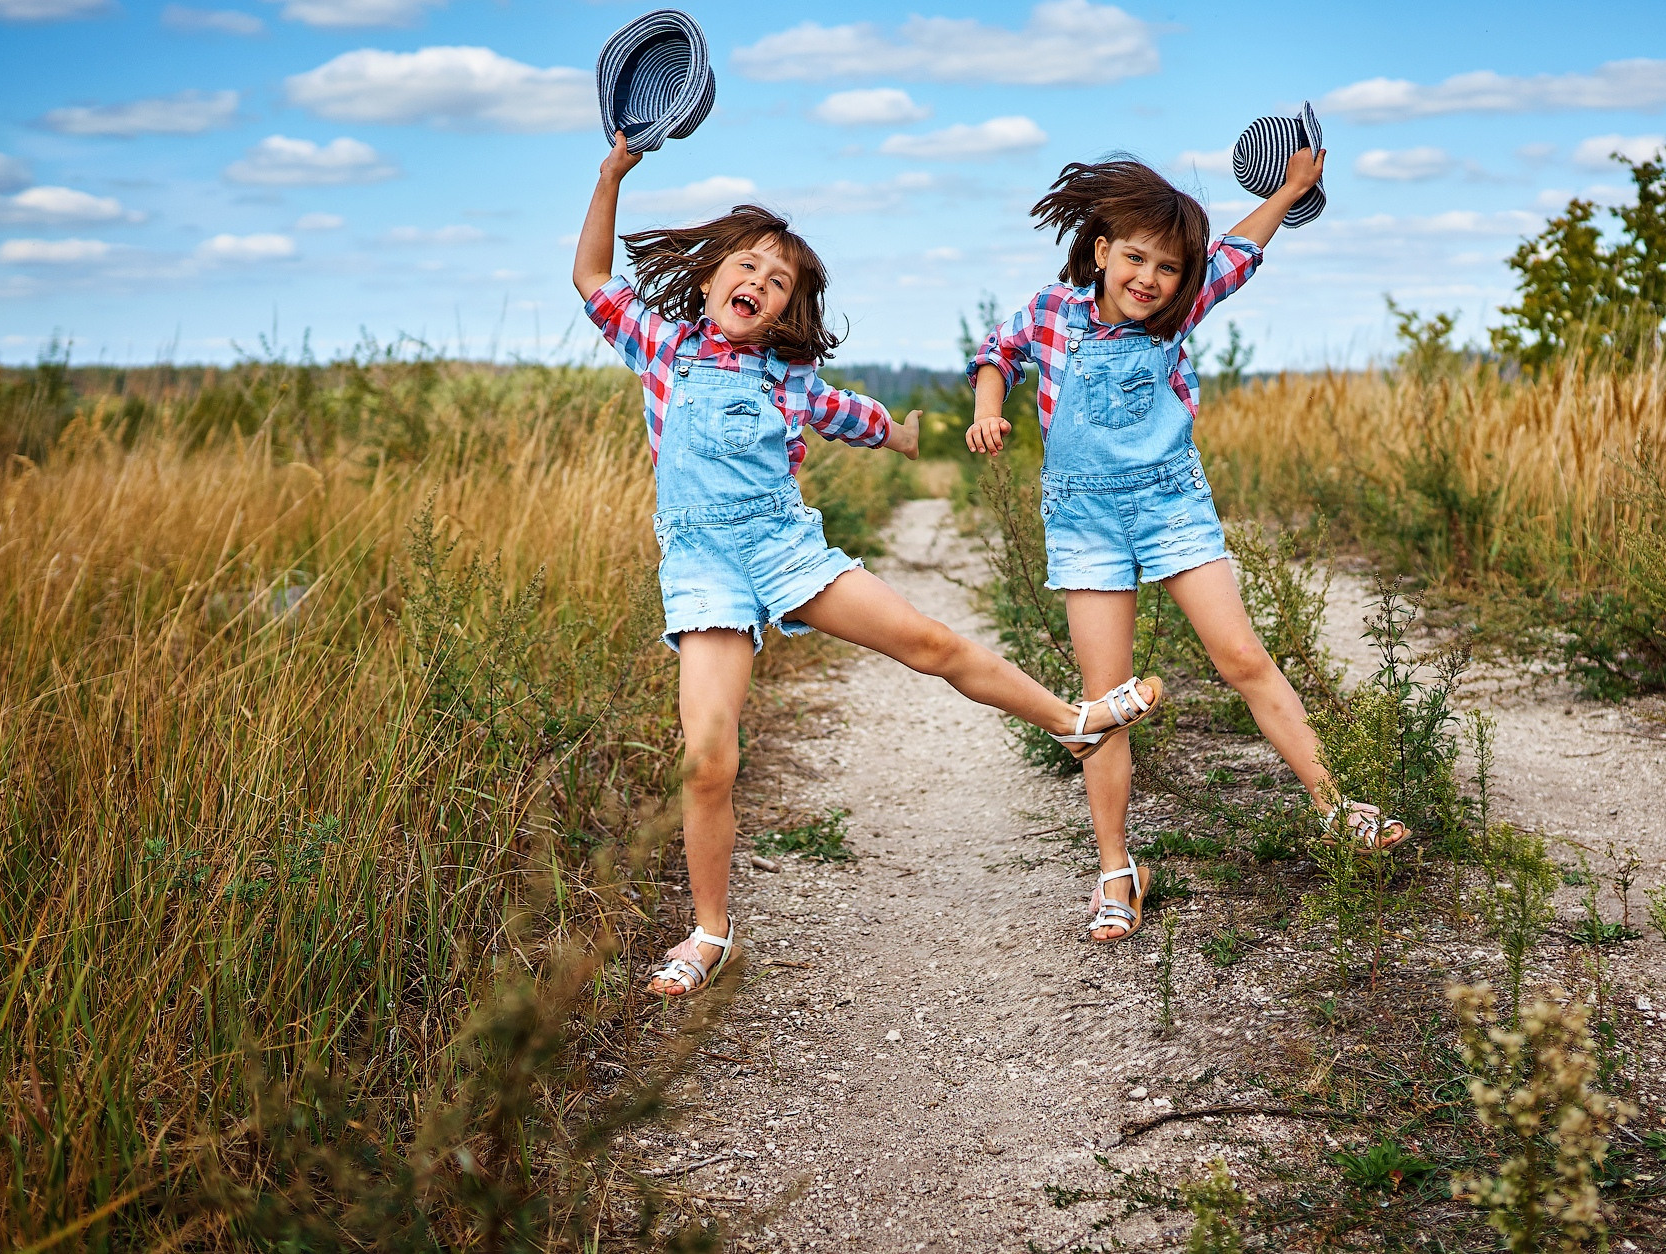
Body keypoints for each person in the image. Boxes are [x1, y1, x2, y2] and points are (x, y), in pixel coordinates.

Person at [573, 132, 1167, 995]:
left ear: (785, 312)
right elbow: (593, 278)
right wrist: (610, 177)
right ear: (707, 281)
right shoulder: (660, 348)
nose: (760, 286)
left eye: (779, 284)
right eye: (747, 268)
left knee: (928, 643)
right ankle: (710, 932)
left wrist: (925, 433)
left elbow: (868, 419)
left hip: (785, 552)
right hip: (703, 571)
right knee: (709, 761)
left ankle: (1072, 724)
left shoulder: (792, 385)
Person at [966, 149, 1407, 945]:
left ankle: (1340, 808)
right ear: (1101, 250)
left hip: (1171, 506)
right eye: (1135, 257)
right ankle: (1114, 872)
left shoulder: (1180, 309)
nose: (1150, 278)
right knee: (1105, 698)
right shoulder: (1049, 311)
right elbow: (994, 355)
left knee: (1241, 656)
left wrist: (1291, 189)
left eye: (1169, 267)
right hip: (1086, 520)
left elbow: (1240, 249)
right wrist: (989, 408)